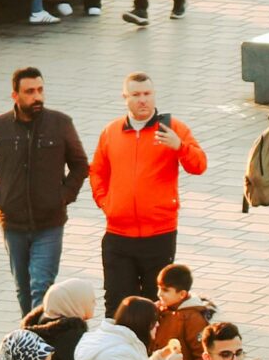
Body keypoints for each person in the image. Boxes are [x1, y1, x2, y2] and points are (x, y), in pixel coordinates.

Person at [0, 66, 88, 313]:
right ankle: (29, 336)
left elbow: (80, 165)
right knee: (23, 289)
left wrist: (63, 196)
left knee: (41, 286)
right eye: (30, 91)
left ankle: (36, 340)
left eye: (40, 90)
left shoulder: (61, 124)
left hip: (50, 223)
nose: (37, 97)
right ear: (15, 95)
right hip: (13, 224)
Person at [89, 72, 207, 313]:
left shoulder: (173, 128)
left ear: (154, 95)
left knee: (156, 305)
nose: (142, 100)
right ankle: (120, 349)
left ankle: (151, 350)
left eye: (147, 94)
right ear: (125, 97)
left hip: (159, 233)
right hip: (118, 233)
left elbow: (199, 165)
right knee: (117, 305)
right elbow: (97, 172)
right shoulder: (111, 132)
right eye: (136, 95)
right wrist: (106, 203)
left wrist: (179, 147)